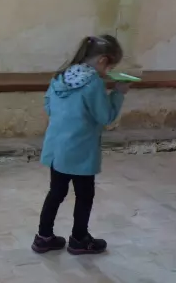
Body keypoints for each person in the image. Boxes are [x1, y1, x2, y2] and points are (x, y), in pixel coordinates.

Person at [32, 35, 131, 255]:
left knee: (56, 192)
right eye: (111, 66)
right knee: (85, 195)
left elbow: (48, 105)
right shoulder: (93, 83)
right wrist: (118, 93)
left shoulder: (61, 76)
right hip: (81, 151)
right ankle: (79, 239)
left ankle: (43, 237)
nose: (109, 71)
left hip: (57, 148)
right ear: (103, 60)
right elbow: (105, 117)